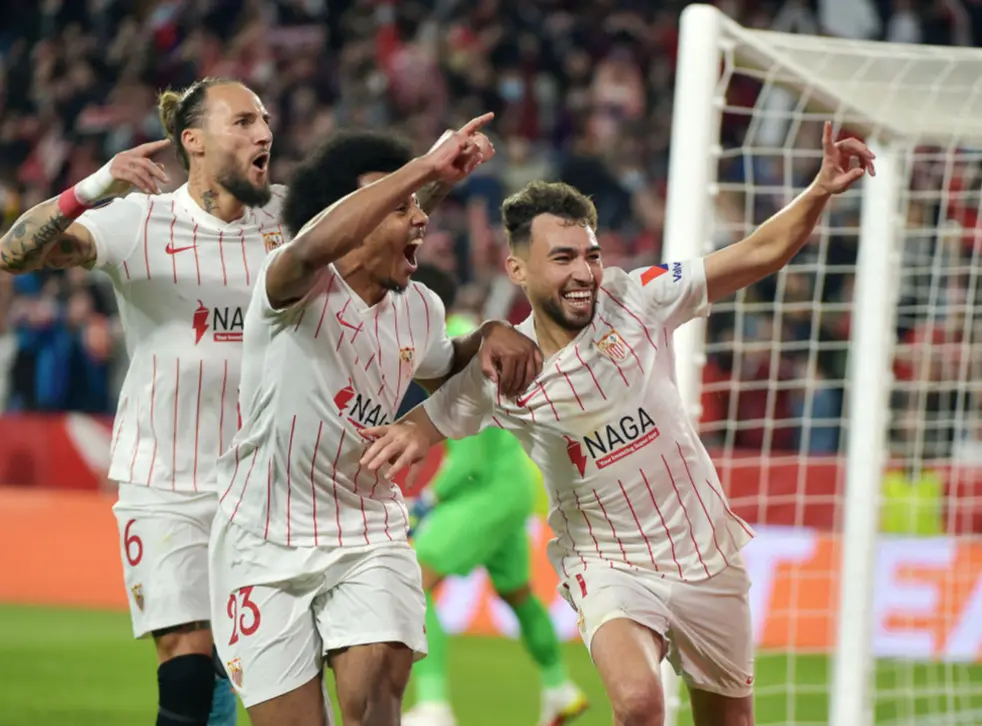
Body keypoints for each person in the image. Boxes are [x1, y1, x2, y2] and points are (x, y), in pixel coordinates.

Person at [358, 121, 875, 726]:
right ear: (518, 270)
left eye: (592, 255)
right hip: (607, 561)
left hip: (705, 551)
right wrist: (392, 442)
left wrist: (819, 188)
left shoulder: (639, 298)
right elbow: (426, 422)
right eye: (563, 258)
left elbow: (759, 252)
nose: (584, 272)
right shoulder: (507, 363)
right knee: (638, 702)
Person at [208, 117, 543, 726]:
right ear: (350, 218)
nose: (420, 219)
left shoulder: (420, 309)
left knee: (377, 696)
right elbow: (315, 245)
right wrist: (426, 167)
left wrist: (490, 335)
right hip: (261, 538)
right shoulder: (292, 283)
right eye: (399, 206)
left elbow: (446, 366)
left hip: (366, 532)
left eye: (417, 206)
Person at [0, 75, 290, 726]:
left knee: (250, 664)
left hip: (264, 483)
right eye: (244, 121)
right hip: (165, 479)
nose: (264, 132)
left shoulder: (290, 217)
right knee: (185, 658)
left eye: (266, 120)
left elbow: (385, 227)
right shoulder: (140, 220)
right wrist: (94, 186)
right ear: (193, 140)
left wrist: (433, 173)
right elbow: (14, 254)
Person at [401, 264, 588, 726]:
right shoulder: (470, 332)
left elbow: (468, 452)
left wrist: (428, 500)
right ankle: (559, 689)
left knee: (411, 582)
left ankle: (433, 705)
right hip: (512, 487)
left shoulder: (451, 343)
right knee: (518, 594)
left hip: (483, 490)